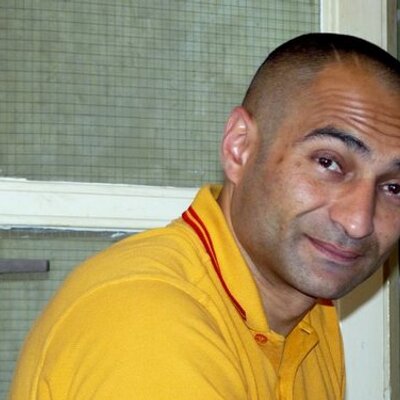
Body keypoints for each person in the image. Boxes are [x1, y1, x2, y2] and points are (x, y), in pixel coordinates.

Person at [9, 32, 400, 399]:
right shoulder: (148, 320)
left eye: (394, 188)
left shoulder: (308, 314)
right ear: (239, 148)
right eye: (328, 162)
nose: (358, 222)